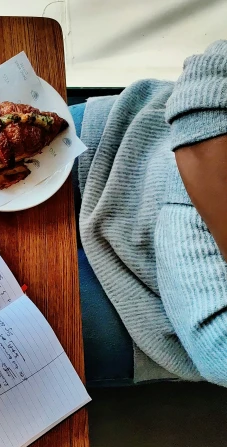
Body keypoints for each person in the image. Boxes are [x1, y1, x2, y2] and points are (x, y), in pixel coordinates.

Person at [70, 41, 227, 387]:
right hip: (121, 137)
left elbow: (216, 346)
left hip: (142, 309)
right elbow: (212, 72)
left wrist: (197, 164)